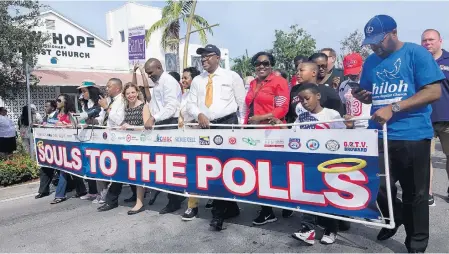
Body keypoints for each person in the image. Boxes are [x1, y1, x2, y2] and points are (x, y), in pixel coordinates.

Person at [353, 15, 444, 253]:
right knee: (376, 186)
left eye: (378, 40)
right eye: (370, 42)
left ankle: (416, 243)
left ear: (393, 33)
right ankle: (398, 215)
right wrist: (365, 96)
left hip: (412, 134)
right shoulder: (371, 61)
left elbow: (433, 91)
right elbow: (374, 94)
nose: (374, 46)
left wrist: (394, 108)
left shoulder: (416, 53)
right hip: (380, 134)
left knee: (416, 193)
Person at [271, 83, 345, 244]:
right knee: (307, 195)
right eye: (301, 100)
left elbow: (342, 135)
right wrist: (282, 127)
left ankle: (331, 229)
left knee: (327, 197)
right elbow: (294, 135)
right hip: (307, 163)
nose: (304, 102)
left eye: (307, 98)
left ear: (317, 96)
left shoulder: (331, 115)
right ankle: (307, 229)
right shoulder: (301, 117)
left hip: (328, 163)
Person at [186, 44, 245, 231]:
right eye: (202, 57)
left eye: (207, 56)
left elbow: (242, 103)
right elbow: (190, 105)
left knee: (226, 166)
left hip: (228, 124)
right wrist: (198, 114)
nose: (204, 59)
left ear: (218, 57)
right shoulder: (197, 80)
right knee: (212, 167)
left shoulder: (232, 76)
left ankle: (220, 213)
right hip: (206, 127)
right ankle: (227, 209)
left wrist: (242, 128)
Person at [242, 51, 292, 225]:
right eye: (257, 63)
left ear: (271, 65)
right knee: (258, 171)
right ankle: (267, 208)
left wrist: (260, 118)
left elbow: (282, 108)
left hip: (272, 132)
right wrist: (245, 126)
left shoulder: (279, 82)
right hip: (253, 133)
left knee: (273, 171)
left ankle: (282, 204)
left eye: (265, 63)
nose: (261, 66)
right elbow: (247, 107)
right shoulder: (253, 83)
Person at [142, 58, 184, 214]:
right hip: (160, 124)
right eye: (147, 74)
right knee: (164, 165)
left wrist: (154, 118)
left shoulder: (169, 82)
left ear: (159, 67)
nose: (149, 76)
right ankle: (175, 197)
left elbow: (171, 106)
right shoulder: (158, 83)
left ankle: (174, 200)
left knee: (171, 165)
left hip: (169, 124)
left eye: (151, 72)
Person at [421, 28, 449, 206]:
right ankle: (427, 192)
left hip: (447, 118)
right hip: (424, 119)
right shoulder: (418, 61)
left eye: (431, 39)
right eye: (424, 40)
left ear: (441, 41)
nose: (428, 43)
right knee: (425, 158)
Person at [51, 94, 87, 204]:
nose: (56, 102)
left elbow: (80, 125)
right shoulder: (55, 114)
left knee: (64, 169)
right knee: (72, 169)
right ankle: (82, 190)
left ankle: (60, 194)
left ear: (65, 102)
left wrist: (65, 125)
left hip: (71, 146)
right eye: (56, 100)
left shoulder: (72, 113)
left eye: (59, 100)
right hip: (59, 145)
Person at [178, 66, 204, 221]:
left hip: (197, 138)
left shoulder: (199, 95)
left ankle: (192, 206)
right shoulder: (184, 95)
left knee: (195, 172)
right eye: (182, 78)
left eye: (186, 77)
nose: (183, 80)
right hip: (184, 137)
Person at [116, 82, 146, 215]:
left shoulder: (144, 106)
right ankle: (138, 197)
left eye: (133, 92)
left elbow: (147, 127)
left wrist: (129, 127)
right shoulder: (126, 107)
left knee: (139, 174)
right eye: (128, 93)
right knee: (133, 173)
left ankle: (139, 202)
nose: (131, 95)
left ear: (137, 92)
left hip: (142, 144)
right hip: (129, 145)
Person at [96, 78, 126, 210]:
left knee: (117, 170)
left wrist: (106, 108)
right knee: (122, 170)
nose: (106, 89)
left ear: (117, 88)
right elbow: (102, 119)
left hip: (119, 140)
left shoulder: (122, 101)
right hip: (107, 139)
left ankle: (111, 200)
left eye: (109, 86)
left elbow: (119, 120)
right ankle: (137, 193)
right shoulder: (109, 101)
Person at [76, 81, 103, 201]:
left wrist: (92, 121)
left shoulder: (100, 102)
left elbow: (101, 119)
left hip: (98, 136)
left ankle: (102, 192)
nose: (83, 94)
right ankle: (92, 191)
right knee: (88, 165)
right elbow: (82, 119)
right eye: (82, 92)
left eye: (84, 91)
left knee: (97, 165)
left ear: (91, 91)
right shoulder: (85, 105)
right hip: (87, 136)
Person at [338, 53, 372, 129]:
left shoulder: (370, 82)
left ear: (362, 67)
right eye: (349, 73)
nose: (352, 75)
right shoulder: (343, 85)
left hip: (367, 125)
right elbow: (343, 105)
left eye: (355, 72)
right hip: (350, 126)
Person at [35, 100, 58, 199]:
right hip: (47, 147)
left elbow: (58, 124)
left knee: (63, 170)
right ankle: (43, 191)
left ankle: (74, 187)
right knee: (45, 168)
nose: (45, 108)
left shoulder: (57, 116)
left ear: (53, 108)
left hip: (57, 146)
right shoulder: (45, 117)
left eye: (46, 106)